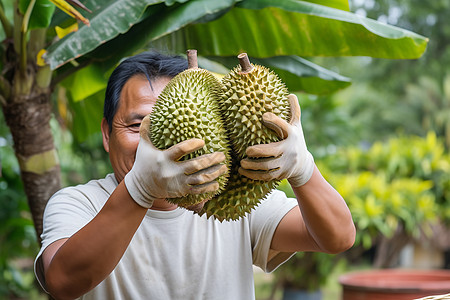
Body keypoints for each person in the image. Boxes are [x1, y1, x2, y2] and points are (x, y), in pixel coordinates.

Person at [34, 51, 355, 300]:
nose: (155, 141)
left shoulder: (228, 196)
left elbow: (337, 237)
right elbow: (62, 283)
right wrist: (139, 189)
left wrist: (303, 170)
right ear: (107, 134)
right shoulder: (79, 204)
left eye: (169, 123)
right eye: (136, 125)